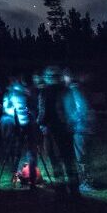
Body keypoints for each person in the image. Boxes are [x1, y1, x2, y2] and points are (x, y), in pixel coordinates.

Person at [39, 66, 80, 195]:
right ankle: (74, 187)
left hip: (52, 129)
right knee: (69, 157)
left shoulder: (45, 92)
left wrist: (40, 123)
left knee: (54, 158)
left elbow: (43, 112)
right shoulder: (67, 90)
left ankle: (60, 187)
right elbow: (74, 109)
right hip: (67, 128)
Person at [61, 69, 96, 193]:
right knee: (85, 156)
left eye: (64, 77)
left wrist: (71, 121)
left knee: (82, 157)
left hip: (81, 129)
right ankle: (87, 181)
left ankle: (87, 183)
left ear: (69, 77)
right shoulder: (80, 89)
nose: (63, 80)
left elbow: (82, 109)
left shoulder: (75, 90)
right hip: (84, 128)